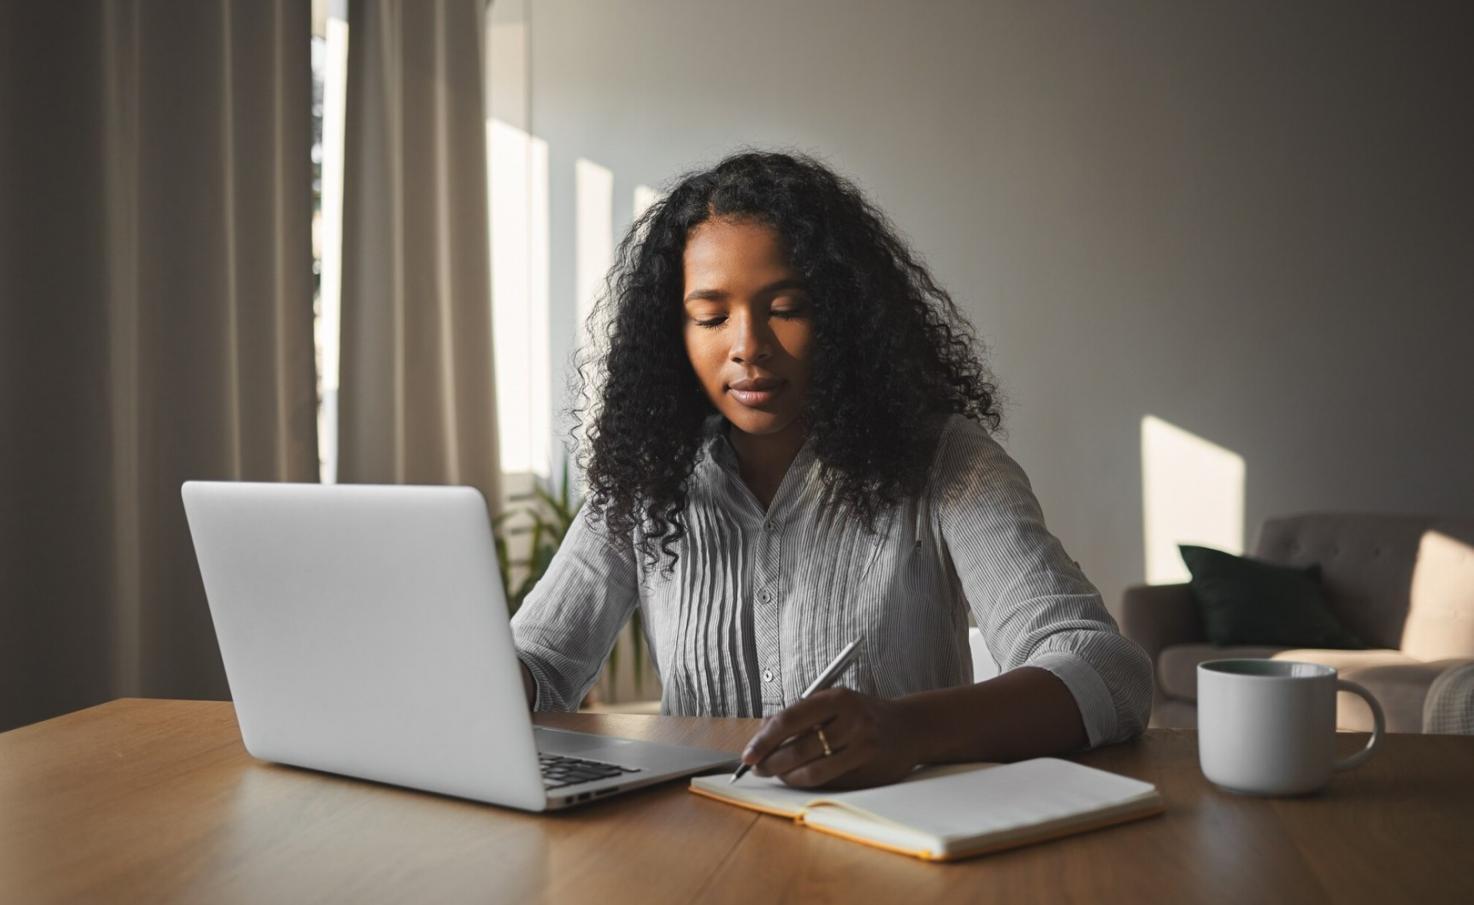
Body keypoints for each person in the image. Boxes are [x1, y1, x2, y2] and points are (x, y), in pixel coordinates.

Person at [511, 150, 1153, 790]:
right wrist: (487, 682)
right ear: (671, 333)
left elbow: (1107, 670)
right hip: (702, 853)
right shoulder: (649, 479)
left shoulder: (943, 462)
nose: (748, 346)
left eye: (787, 308)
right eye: (711, 317)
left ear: (845, 316)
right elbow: (538, 660)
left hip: (898, 848)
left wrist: (908, 730)